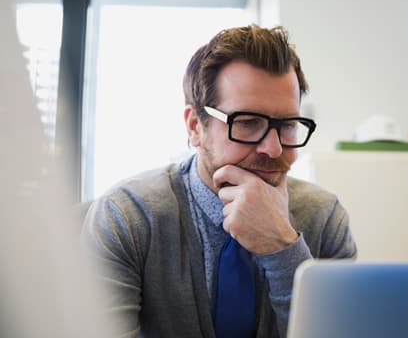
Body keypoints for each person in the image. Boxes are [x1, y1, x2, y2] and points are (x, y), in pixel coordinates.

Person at [82, 24, 357, 338]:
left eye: (288, 125)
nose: (274, 148)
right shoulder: (128, 217)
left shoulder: (325, 218)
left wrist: (282, 248)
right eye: (248, 123)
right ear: (195, 127)